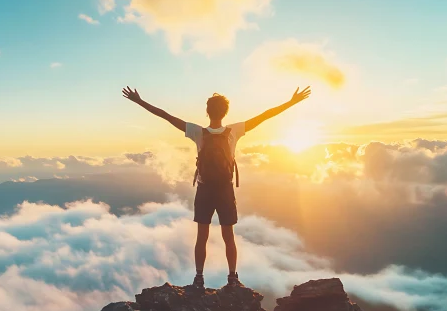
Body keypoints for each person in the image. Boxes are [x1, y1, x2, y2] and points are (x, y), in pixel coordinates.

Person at [122, 85, 312, 288]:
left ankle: (199, 277)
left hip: (204, 190)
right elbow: (265, 115)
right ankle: (232, 277)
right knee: (228, 236)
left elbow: (166, 116)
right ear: (225, 112)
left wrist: (139, 101)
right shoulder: (235, 130)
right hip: (225, 190)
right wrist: (291, 102)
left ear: (207, 111)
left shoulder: (197, 131)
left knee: (201, 237)